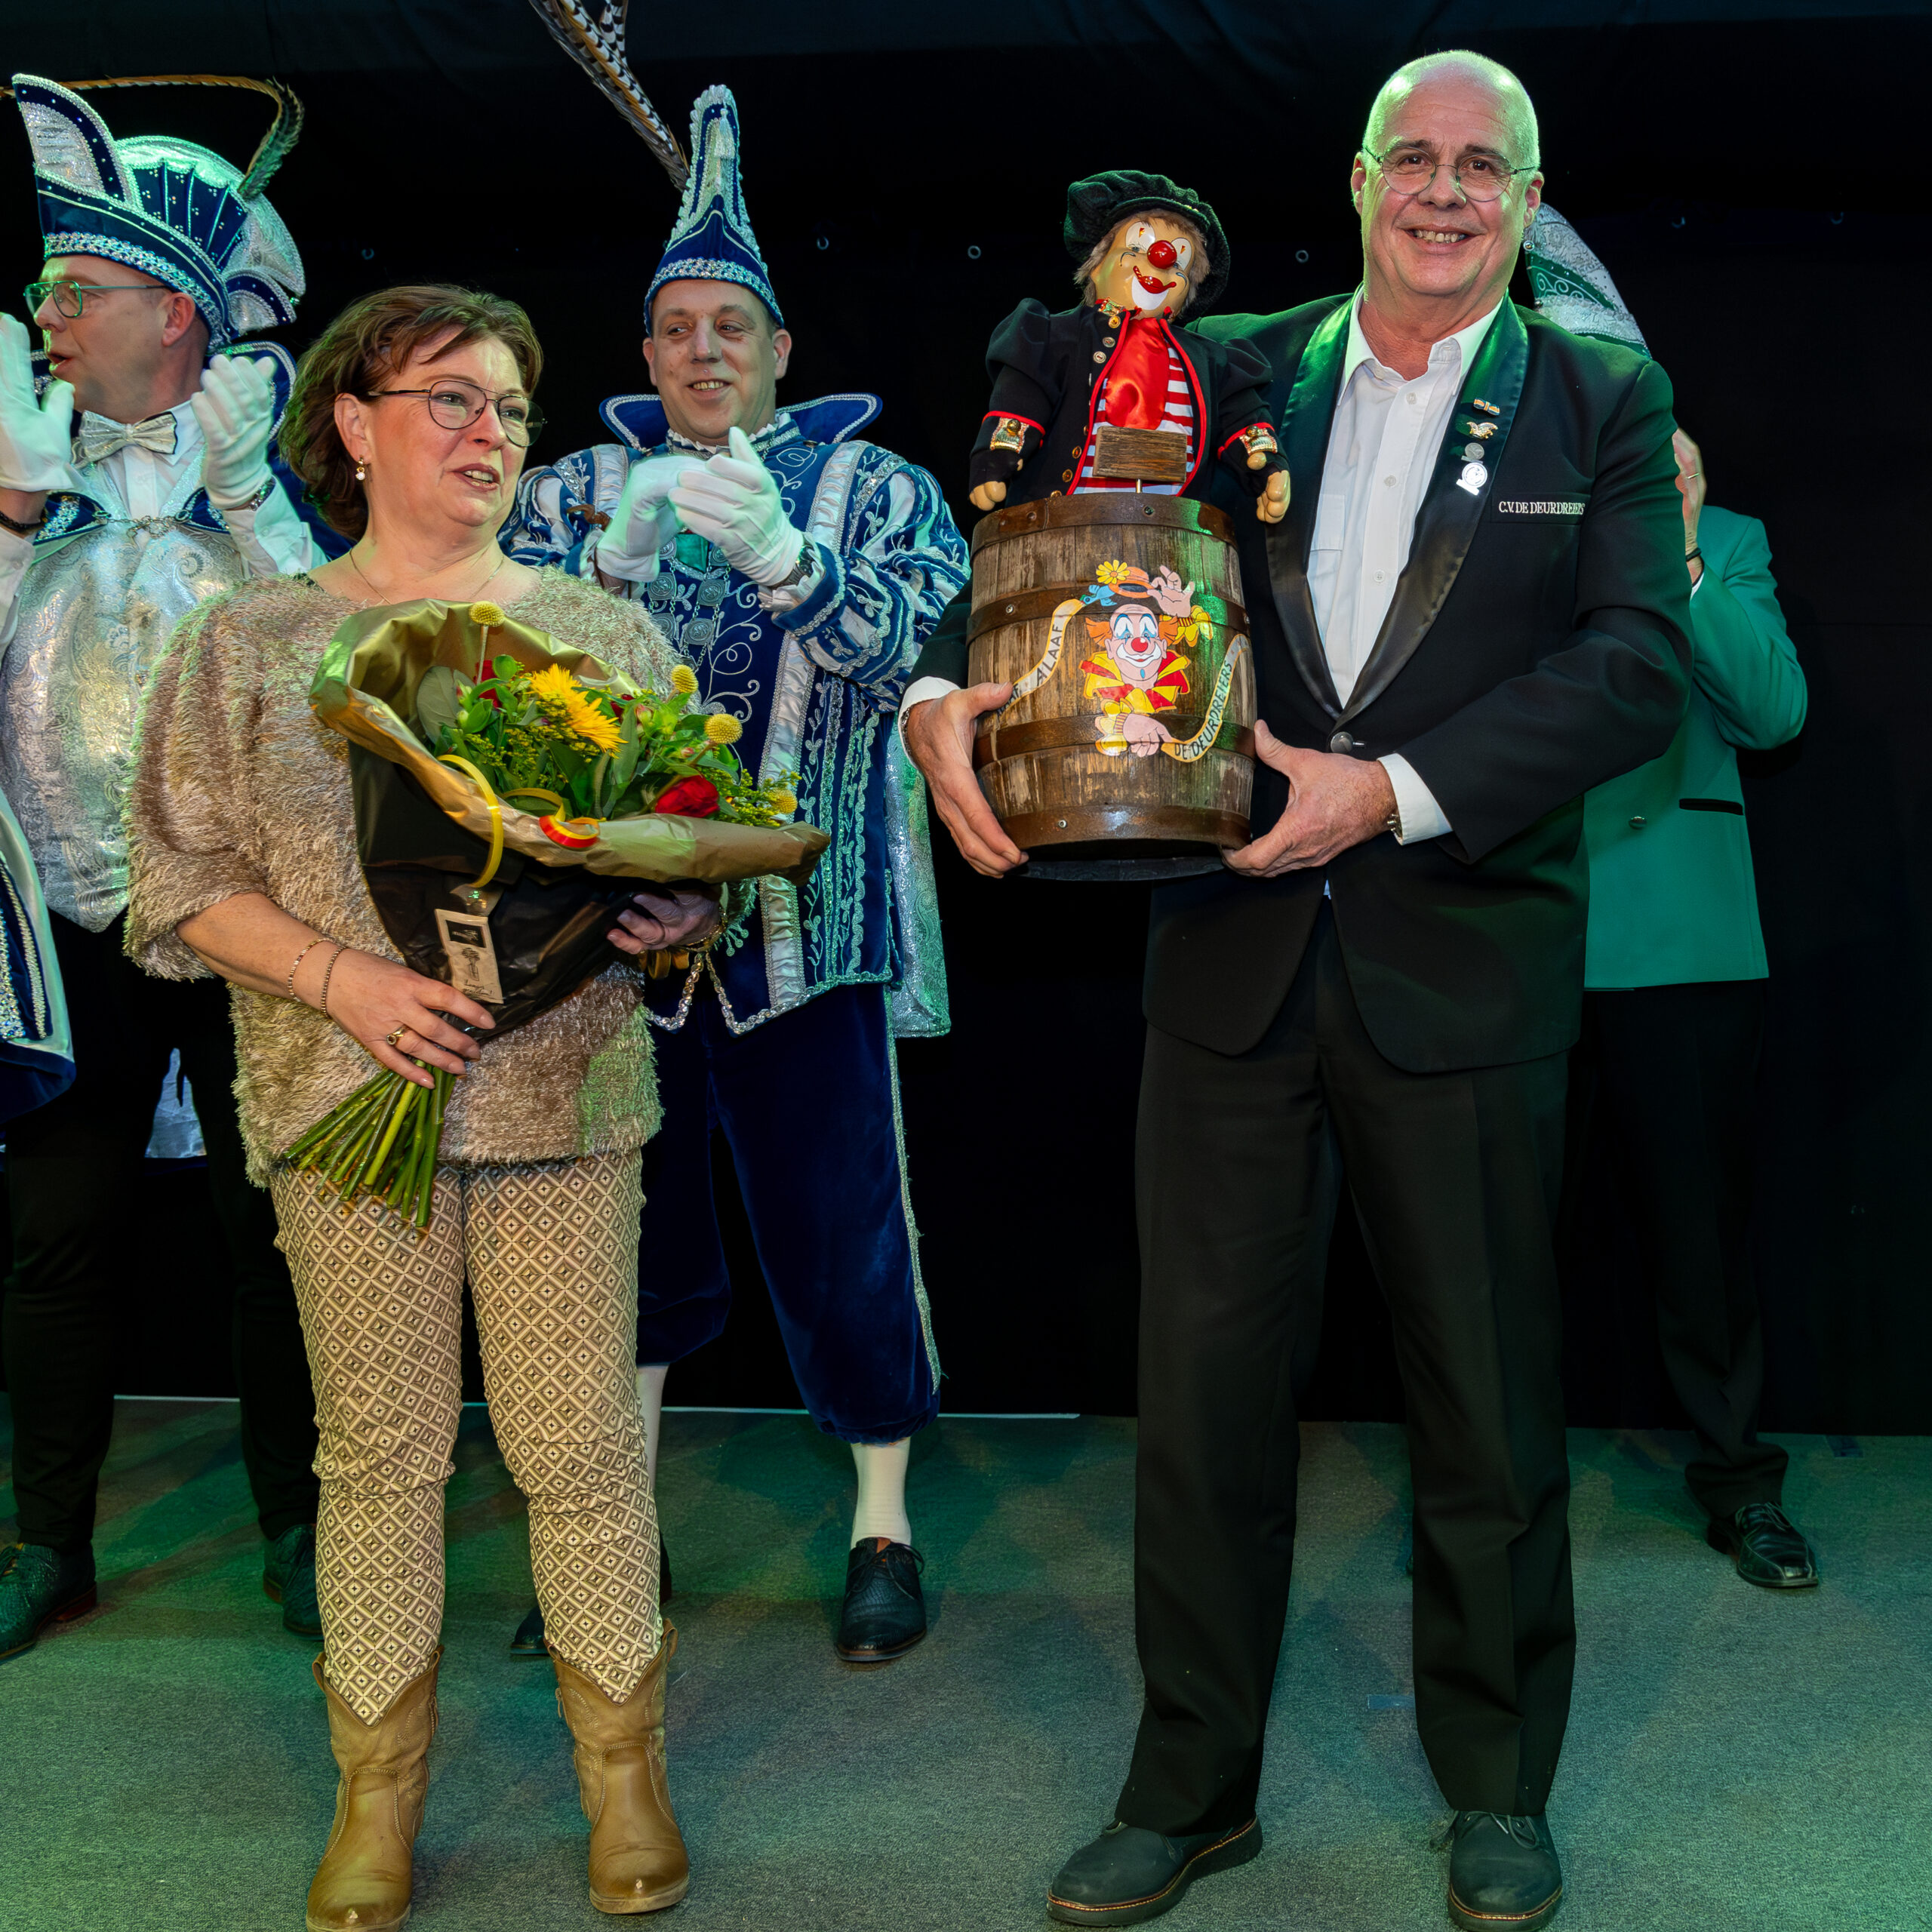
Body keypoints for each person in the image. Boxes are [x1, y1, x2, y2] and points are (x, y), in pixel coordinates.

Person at [905, 51, 1692, 1931]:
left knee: (1485, 1407)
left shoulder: (1597, 391)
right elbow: (1052, 532)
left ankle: (1495, 1781)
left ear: (1524, 200)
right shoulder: (1224, 359)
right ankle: (1186, 1788)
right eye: (1411, 158)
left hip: (1462, 972)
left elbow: (1633, 666)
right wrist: (940, 694)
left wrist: (1387, 790)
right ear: (1353, 181)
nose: (1442, 191)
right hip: (1224, 964)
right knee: (1197, 1408)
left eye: (1481, 166)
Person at [124, 282, 716, 1929]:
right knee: (378, 1455)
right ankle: (373, 1795)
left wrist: (678, 909)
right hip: (341, 1110)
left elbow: (679, 862)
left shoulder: (601, 636)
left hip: (563, 1103)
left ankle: (625, 1775)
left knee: (580, 1449)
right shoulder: (247, 642)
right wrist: (345, 983)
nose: (489, 433)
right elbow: (176, 882)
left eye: (510, 407)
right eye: (450, 399)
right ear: (353, 424)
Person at [503, 84, 967, 1664]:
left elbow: (917, 660)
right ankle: (610, 1529)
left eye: (733, 328)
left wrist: (789, 562)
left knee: (845, 1236)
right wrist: (601, 576)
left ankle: (882, 1523)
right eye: (678, 329)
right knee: (617, 1245)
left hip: (807, 938)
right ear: (644, 353)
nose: (705, 352)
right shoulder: (566, 493)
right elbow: (496, 691)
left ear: (781, 347)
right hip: (601, 950)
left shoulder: (880, 489)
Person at [0, 72, 327, 1662]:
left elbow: (345, 668)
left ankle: (304, 1526)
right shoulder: (18, 467)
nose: (46, 315)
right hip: (71, 920)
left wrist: (249, 495)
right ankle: (45, 1539)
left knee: (274, 1235)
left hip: (243, 920)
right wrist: (14, 508)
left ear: (178, 317)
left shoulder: (266, 485)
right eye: (47, 290)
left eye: (79, 290)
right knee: (55, 1240)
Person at [1523, 208, 1818, 1589]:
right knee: (1502, 1242)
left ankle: (1740, 1481)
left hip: (1683, 944)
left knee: (1702, 1246)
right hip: (1518, 931)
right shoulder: (1518, 544)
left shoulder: (1730, 538)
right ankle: (1490, 1492)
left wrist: (1685, 550)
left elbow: (1773, 711)